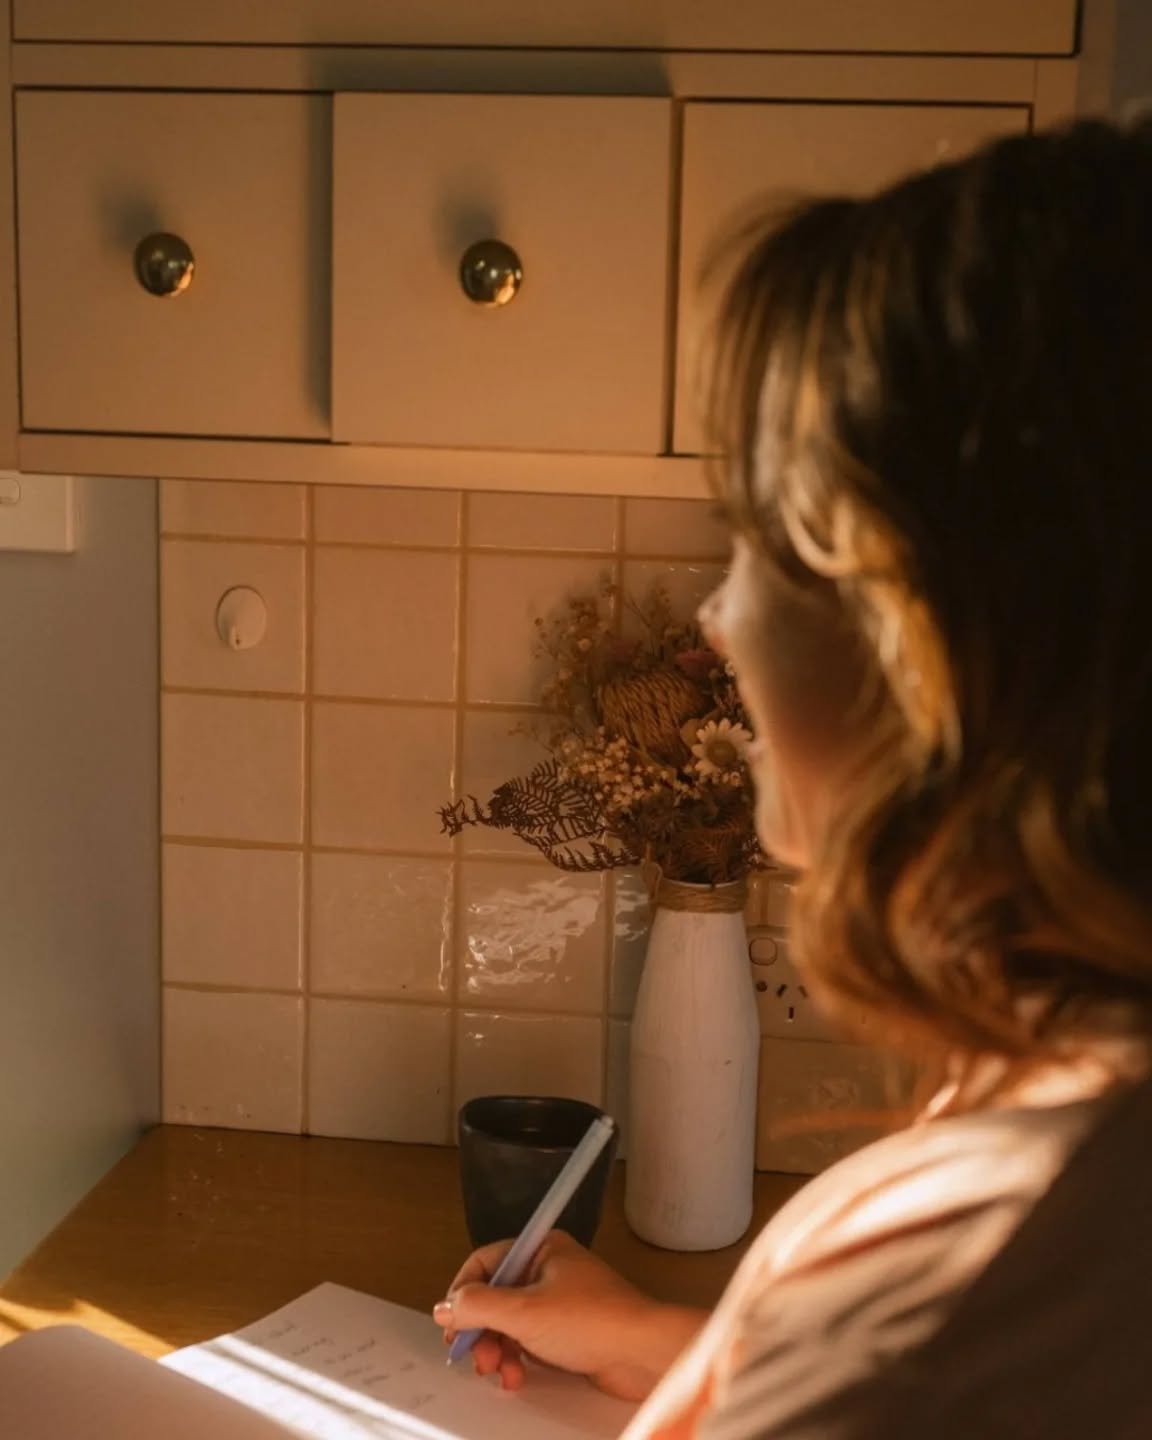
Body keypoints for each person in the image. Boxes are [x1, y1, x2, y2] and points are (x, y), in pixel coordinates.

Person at [432, 116, 1152, 1437]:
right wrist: (701, 1354)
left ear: (927, 638)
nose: (718, 624)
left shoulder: (949, 1288)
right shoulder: (1079, 1146)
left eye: (759, 539)